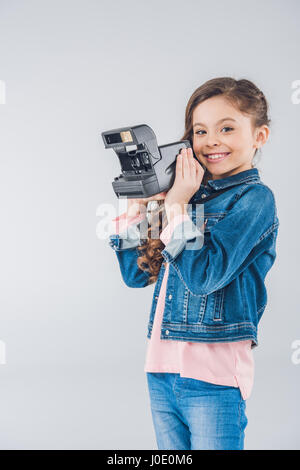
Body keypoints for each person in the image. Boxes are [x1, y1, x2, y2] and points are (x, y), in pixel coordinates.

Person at [108, 77, 279, 450]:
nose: (211, 140)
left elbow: (205, 276)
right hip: (160, 370)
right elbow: (135, 274)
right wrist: (136, 210)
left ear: (259, 136)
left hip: (213, 378)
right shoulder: (185, 198)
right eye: (200, 131)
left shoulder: (254, 201)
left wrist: (176, 208)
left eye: (227, 128)